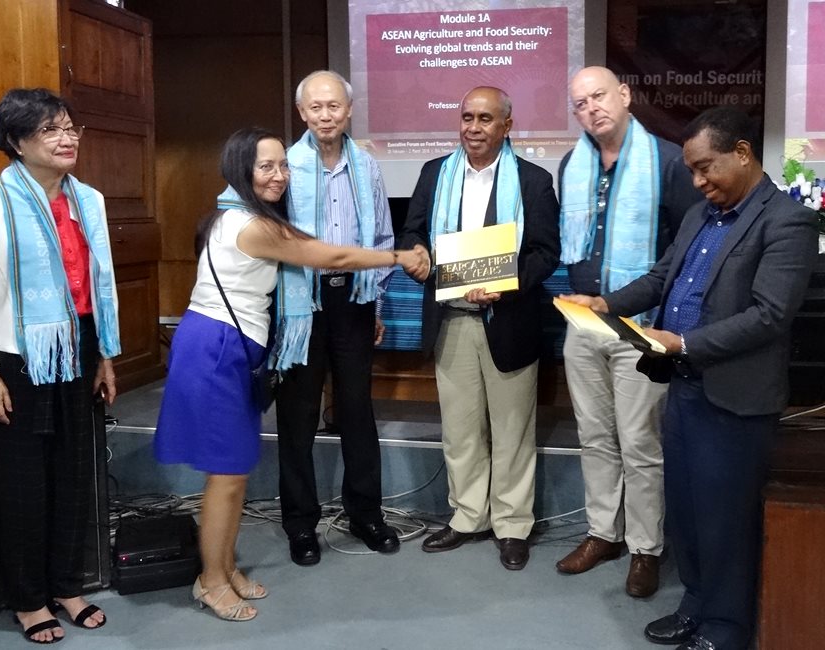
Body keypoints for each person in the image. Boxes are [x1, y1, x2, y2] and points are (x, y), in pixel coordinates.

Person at [562, 106, 818, 650]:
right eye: (693, 171)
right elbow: (661, 278)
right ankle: (696, 605)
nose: (699, 182)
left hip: (736, 397)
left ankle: (726, 628)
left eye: (707, 169)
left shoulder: (787, 222)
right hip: (683, 387)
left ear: (743, 154)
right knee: (688, 511)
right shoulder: (702, 215)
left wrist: (687, 343)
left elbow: (770, 315)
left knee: (726, 518)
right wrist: (606, 302)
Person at [153, 128, 427, 621]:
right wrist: (399, 256)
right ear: (242, 169)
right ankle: (211, 580)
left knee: (232, 472)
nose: (279, 175)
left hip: (225, 346)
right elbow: (333, 256)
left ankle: (225, 567)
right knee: (229, 475)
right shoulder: (253, 225)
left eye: (284, 166)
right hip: (216, 349)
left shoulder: (238, 213)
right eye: (266, 167)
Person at [0, 88, 120, 644]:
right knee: (25, 482)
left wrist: (105, 357)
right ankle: (28, 598)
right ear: (18, 142)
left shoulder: (88, 200)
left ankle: (68, 585)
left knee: (75, 475)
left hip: (79, 344)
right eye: (50, 130)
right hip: (16, 357)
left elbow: (100, 286)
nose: (66, 138)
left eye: (70, 127)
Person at [398, 86, 560, 570]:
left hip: (507, 319)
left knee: (512, 430)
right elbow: (413, 232)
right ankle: (468, 516)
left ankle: (512, 525)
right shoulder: (434, 174)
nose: (473, 127)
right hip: (451, 320)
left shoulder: (532, 181)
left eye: (485, 119)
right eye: (467, 117)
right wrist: (416, 255)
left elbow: (545, 253)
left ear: (506, 126)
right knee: (461, 429)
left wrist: (505, 285)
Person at [555, 66, 700, 597]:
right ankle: (602, 534)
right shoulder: (572, 164)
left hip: (643, 326)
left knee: (641, 442)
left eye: (598, 96)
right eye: (579, 102)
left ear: (624, 95)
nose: (590, 108)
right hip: (584, 322)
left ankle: (645, 548)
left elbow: (686, 252)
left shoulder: (666, 161)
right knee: (595, 436)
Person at [275, 70, 399, 567]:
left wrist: (378, 303)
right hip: (300, 307)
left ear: (349, 112)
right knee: (297, 417)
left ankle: (365, 514)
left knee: (356, 412)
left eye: (335, 106)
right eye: (316, 107)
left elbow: (382, 240)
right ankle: (300, 525)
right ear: (302, 113)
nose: (326, 115)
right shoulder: (283, 165)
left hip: (354, 302)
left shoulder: (367, 166)